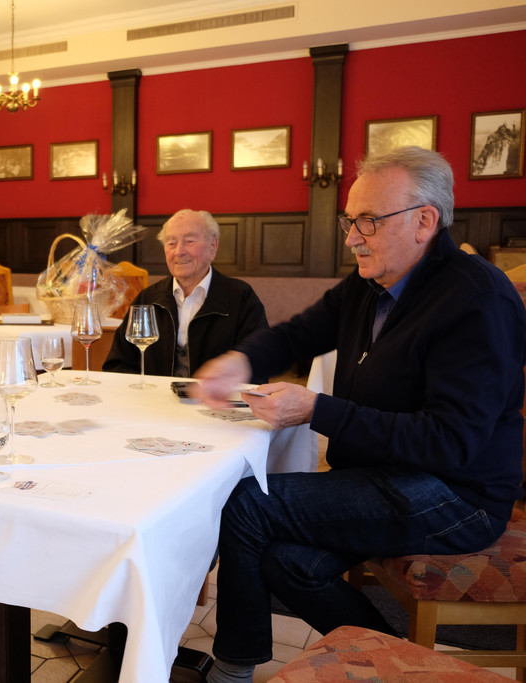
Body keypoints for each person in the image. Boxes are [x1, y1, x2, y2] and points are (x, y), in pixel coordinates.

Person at [193, 146, 526, 683]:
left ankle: (232, 669)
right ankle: (398, 661)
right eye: (350, 220)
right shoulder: (371, 283)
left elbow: (449, 442)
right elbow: (299, 333)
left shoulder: (476, 298)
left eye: (368, 220)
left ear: (424, 221)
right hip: (382, 475)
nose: (351, 237)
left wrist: (316, 409)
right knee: (286, 561)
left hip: (457, 494)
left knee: (246, 504)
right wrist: (240, 361)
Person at [102, 209, 268, 381]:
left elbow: (258, 364)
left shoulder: (240, 298)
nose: (179, 251)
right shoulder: (148, 299)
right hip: (154, 397)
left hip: (217, 398)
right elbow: (118, 364)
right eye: (171, 243)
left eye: (189, 241)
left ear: (213, 246)